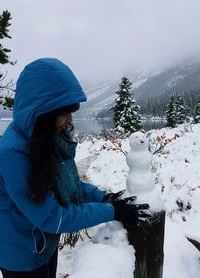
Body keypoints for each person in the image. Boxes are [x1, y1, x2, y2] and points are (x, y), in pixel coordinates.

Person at [0, 58, 150, 278]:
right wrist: (113, 210)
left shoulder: (41, 137)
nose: (69, 120)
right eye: (64, 113)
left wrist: (103, 197)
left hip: (42, 243)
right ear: (42, 113)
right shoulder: (13, 154)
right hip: (21, 256)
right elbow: (53, 218)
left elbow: (63, 182)